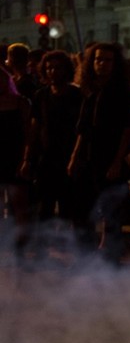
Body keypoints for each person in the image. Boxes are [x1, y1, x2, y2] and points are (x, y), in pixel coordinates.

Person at [67, 42, 130, 262]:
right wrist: (74, 157)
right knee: (81, 210)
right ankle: (85, 256)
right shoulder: (90, 92)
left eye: (107, 60)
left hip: (109, 159)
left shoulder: (122, 95)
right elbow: (83, 130)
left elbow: (128, 130)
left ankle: (112, 257)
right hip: (88, 159)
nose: (102, 64)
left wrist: (117, 161)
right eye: (98, 60)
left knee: (112, 212)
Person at [22, 50, 83, 225]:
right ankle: (45, 246)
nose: (52, 72)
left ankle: (65, 245)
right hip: (46, 157)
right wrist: (28, 158)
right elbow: (34, 128)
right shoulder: (41, 95)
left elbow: (82, 129)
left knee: (67, 207)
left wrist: (76, 156)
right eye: (49, 68)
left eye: (57, 68)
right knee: (44, 207)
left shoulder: (76, 95)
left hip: (69, 155)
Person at [1, 66, 32, 261]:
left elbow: (30, 133)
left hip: (15, 156)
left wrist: (26, 158)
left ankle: (21, 249)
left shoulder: (20, 103)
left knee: (19, 205)